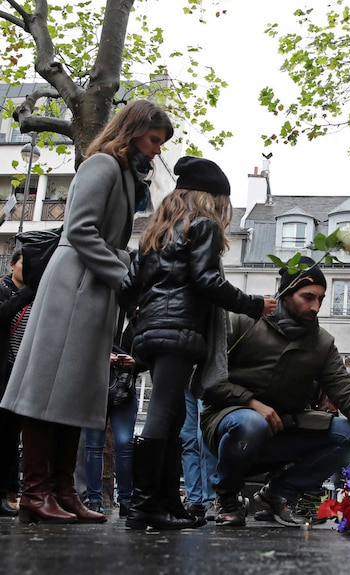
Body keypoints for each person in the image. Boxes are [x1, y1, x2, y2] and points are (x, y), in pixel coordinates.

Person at [0, 100, 173, 524]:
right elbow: (78, 229)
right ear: (132, 130)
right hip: (75, 284)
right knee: (49, 390)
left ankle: (62, 491)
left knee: (76, 393)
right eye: (154, 140)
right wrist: (124, 274)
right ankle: (36, 492)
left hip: (91, 285)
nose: (156, 150)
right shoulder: (101, 165)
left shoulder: (125, 174)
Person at [121, 156, 277, 531]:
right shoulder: (202, 226)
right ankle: (145, 506)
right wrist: (254, 304)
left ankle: (167, 502)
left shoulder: (156, 232)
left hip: (154, 329)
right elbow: (208, 281)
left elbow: (132, 287)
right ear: (213, 198)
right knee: (162, 414)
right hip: (179, 330)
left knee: (172, 414)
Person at [200, 257, 350, 528]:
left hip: (284, 430)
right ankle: (226, 496)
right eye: (308, 297)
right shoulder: (243, 321)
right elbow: (207, 380)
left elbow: (347, 391)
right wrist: (250, 402)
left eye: (320, 299)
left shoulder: (322, 343)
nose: (316, 306)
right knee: (251, 423)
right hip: (230, 425)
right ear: (285, 294)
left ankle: (280, 492)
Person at [82, 318, 139, 517]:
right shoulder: (98, 313)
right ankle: (95, 500)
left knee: (124, 444)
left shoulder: (138, 317)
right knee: (94, 444)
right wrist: (101, 356)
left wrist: (135, 362)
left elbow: (150, 352)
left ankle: (126, 499)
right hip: (95, 387)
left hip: (125, 388)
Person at [0, 251, 30, 516]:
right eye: (24, 262)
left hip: (23, 376)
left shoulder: (35, 298)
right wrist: (25, 294)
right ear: (12, 265)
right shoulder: (4, 291)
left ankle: (9, 493)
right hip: (4, 373)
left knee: (12, 438)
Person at [180, 388, 218, 521]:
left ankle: (211, 499)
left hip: (204, 375)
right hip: (185, 377)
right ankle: (194, 499)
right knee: (188, 439)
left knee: (204, 437)